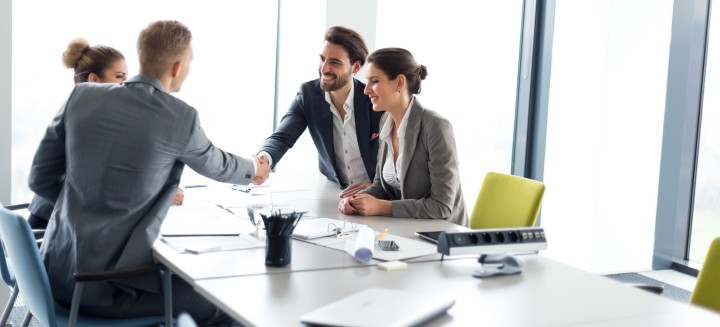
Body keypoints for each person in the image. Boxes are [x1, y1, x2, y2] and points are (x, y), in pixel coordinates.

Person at [29, 20, 269, 326]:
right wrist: (255, 168)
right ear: (178, 66)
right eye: (190, 63)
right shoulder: (180, 116)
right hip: (105, 289)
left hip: (54, 274)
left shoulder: (81, 96)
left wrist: (86, 203)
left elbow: (39, 180)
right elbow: (216, 164)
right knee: (230, 304)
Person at [26, 38, 185, 230]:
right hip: (54, 227)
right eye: (119, 77)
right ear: (94, 80)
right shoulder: (88, 121)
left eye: (127, 78)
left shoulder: (84, 113)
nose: (126, 85)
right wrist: (155, 197)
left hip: (48, 223)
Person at [338, 48, 467, 226]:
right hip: (407, 228)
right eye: (367, 82)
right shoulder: (386, 121)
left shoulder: (435, 126)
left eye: (374, 81)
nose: (366, 90)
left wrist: (382, 207)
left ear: (399, 82)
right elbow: (382, 187)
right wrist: (355, 200)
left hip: (442, 235)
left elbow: (442, 206)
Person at [257, 26, 384, 194]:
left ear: (356, 67)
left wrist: (377, 188)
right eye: (322, 59)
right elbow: (282, 137)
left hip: (377, 194)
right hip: (335, 192)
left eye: (334, 62)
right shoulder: (308, 95)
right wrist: (264, 159)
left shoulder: (375, 100)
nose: (324, 68)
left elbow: (399, 159)